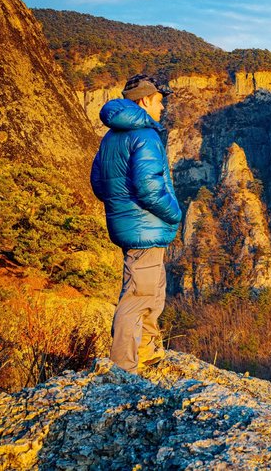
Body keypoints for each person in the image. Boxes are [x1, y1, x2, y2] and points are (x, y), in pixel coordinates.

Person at [90, 74, 182, 374]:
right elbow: (148, 186)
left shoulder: (112, 137)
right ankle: (123, 370)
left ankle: (148, 354)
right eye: (158, 101)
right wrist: (175, 213)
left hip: (131, 225)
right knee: (137, 297)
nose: (162, 108)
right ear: (144, 100)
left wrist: (120, 205)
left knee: (152, 292)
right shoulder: (145, 136)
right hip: (146, 227)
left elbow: (98, 183)